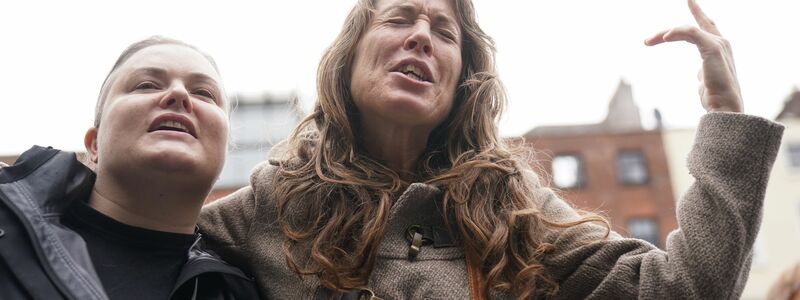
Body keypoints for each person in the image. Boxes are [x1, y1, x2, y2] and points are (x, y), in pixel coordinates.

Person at [199, 0, 784, 299]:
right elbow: (133, 239)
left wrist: (727, 115)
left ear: (462, 80)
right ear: (349, 56)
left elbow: (686, 290)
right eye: (398, 17)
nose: (421, 36)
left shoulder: (515, 209)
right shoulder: (271, 200)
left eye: (444, 31)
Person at [0, 37, 259, 300]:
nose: (179, 94)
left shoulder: (239, 292)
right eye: (146, 85)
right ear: (94, 144)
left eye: (204, 93)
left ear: (223, 151)